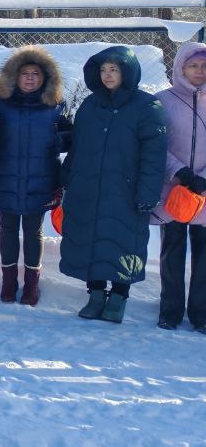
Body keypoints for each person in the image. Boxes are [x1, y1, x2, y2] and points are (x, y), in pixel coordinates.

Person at [62, 47, 168, 323]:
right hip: (88, 186)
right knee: (92, 239)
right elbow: (78, 145)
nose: (107, 75)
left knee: (124, 241)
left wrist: (148, 193)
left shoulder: (147, 106)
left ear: (127, 72)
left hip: (126, 190)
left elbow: (154, 156)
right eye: (103, 70)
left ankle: (119, 296)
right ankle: (96, 294)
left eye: (114, 70)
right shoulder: (90, 105)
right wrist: (67, 177)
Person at [0, 47, 71, 306]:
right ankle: (9, 282)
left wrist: (56, 140)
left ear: (45, 78)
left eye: (36, 73)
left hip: (41, 178)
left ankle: (32, 284)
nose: (30, 78)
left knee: (34, 231)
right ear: (15, 76)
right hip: (5, 176)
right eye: (25, 73)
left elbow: (72, 137)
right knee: (8, 229)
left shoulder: (55, 106)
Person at [154, 42, 206, 333]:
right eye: (193, 65)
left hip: (205, 191)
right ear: (181, 68)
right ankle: (170, 310)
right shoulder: (162, 101)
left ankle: (201, 312)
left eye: (203, 66)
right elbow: (154, 145)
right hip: (173, 189)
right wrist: (181, 172)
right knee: (172, 250)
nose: (199, 71)